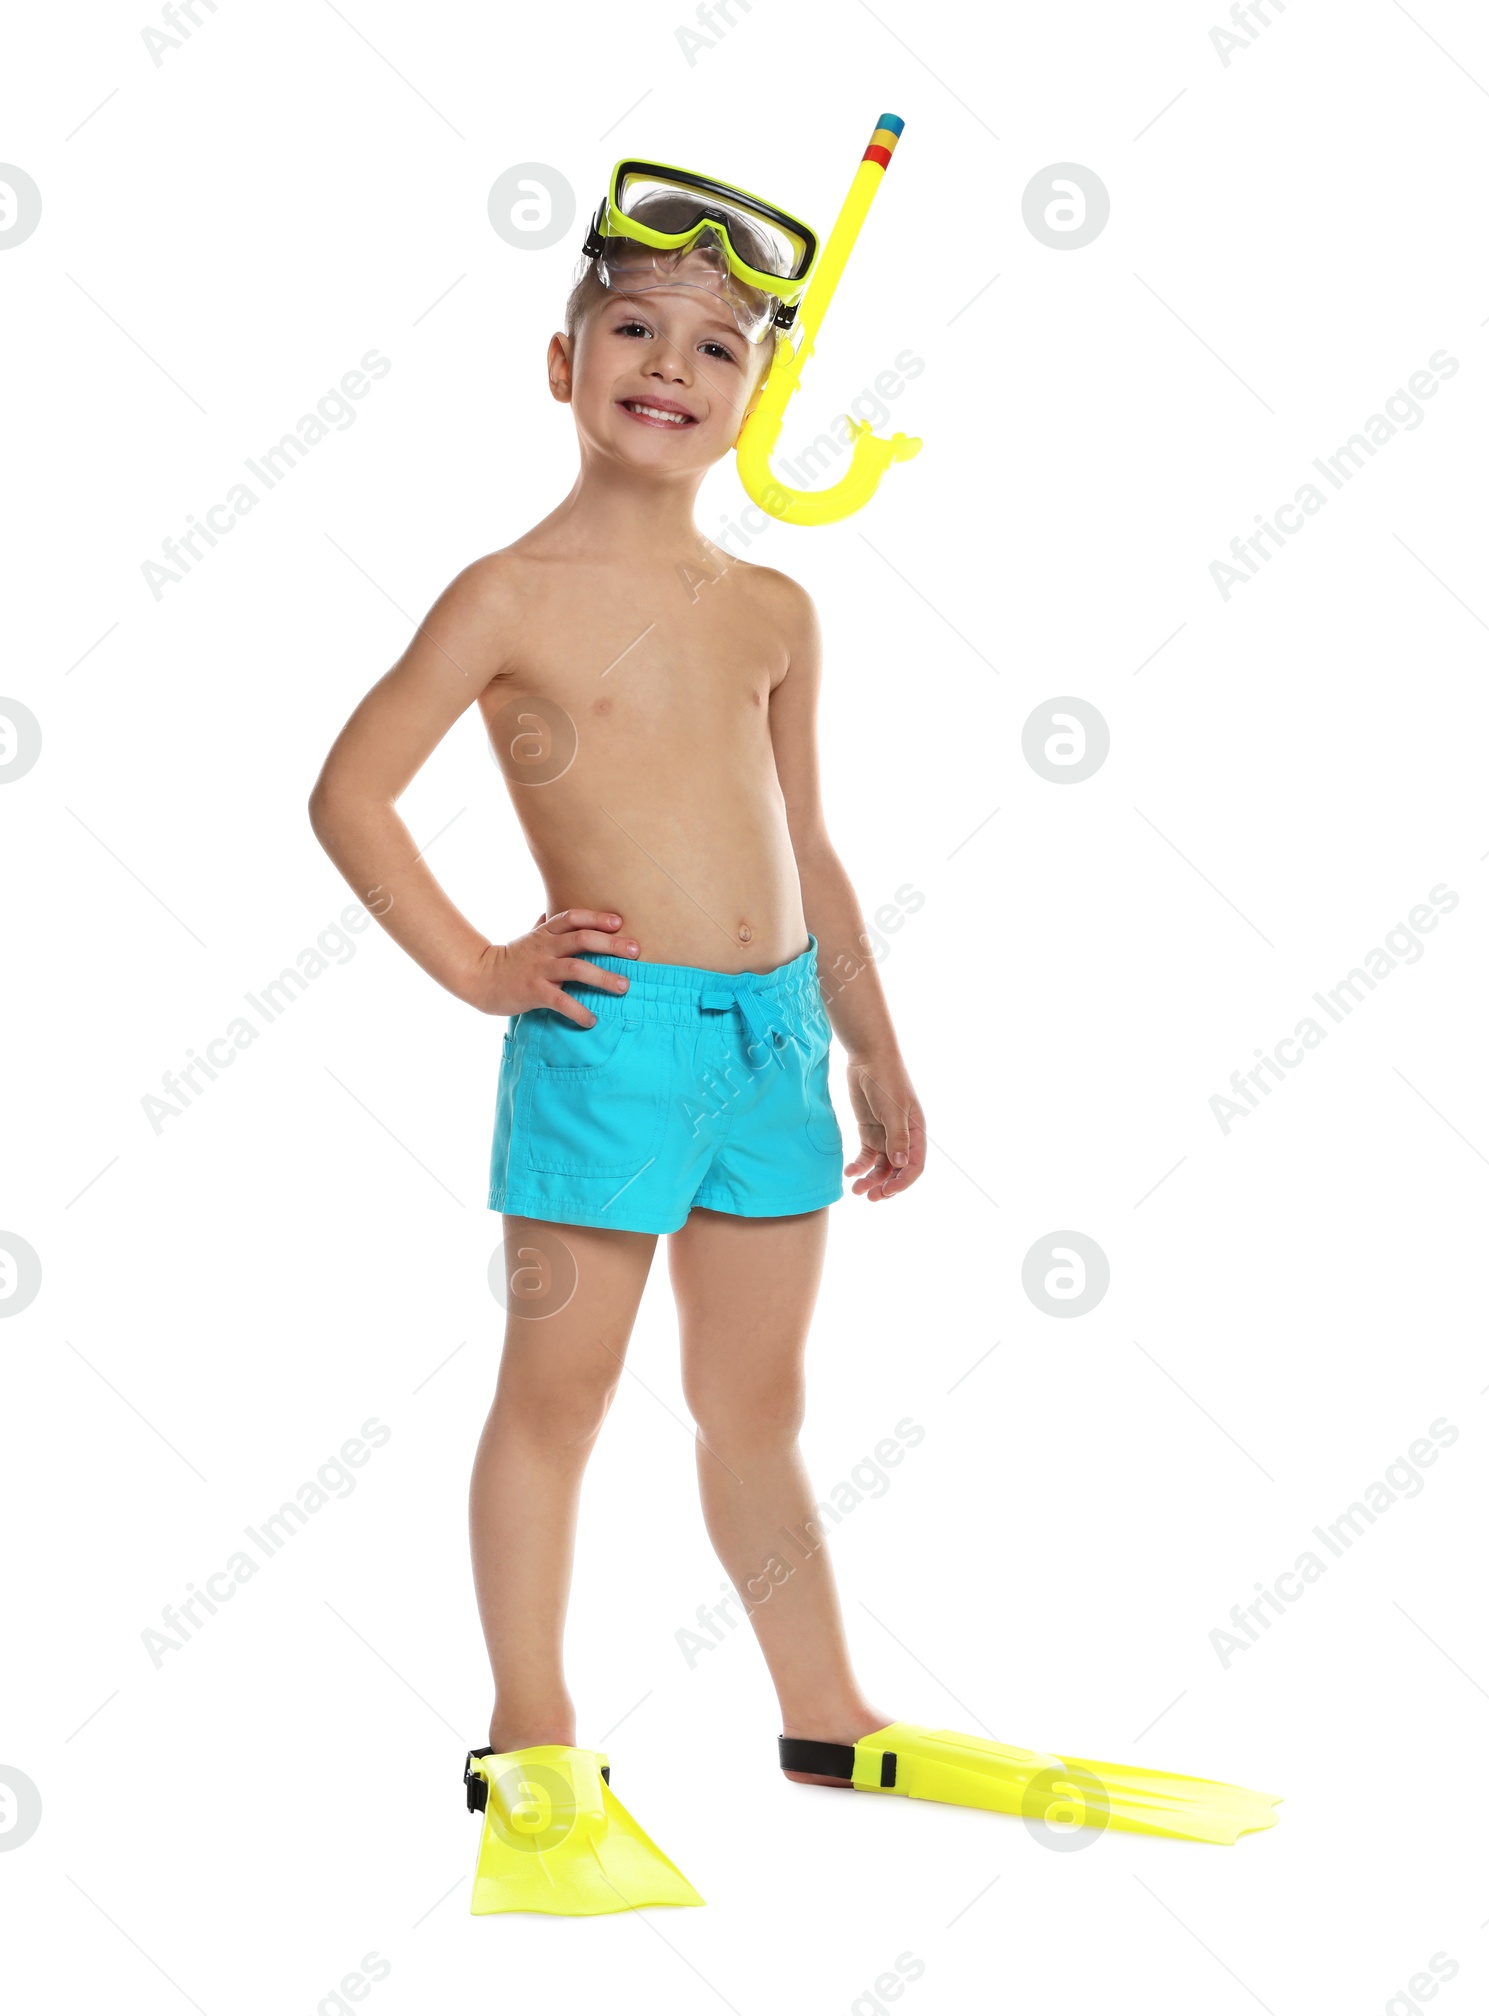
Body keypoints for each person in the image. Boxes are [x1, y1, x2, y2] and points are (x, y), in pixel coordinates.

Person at [307, 172, 925, 1810]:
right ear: (561, 358)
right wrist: (484, 969)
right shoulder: (504, 595)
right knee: (557, 1402)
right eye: (633, 327)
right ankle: (531, 1736)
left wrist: (876, 1050)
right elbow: (348, 794)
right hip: (612, 1044)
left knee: (757, 1408)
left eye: (719, 345)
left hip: (779, 1042)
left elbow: (809, 842)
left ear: (760, 393)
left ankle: (824, 1710)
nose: (670, 363)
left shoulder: (774, 610)